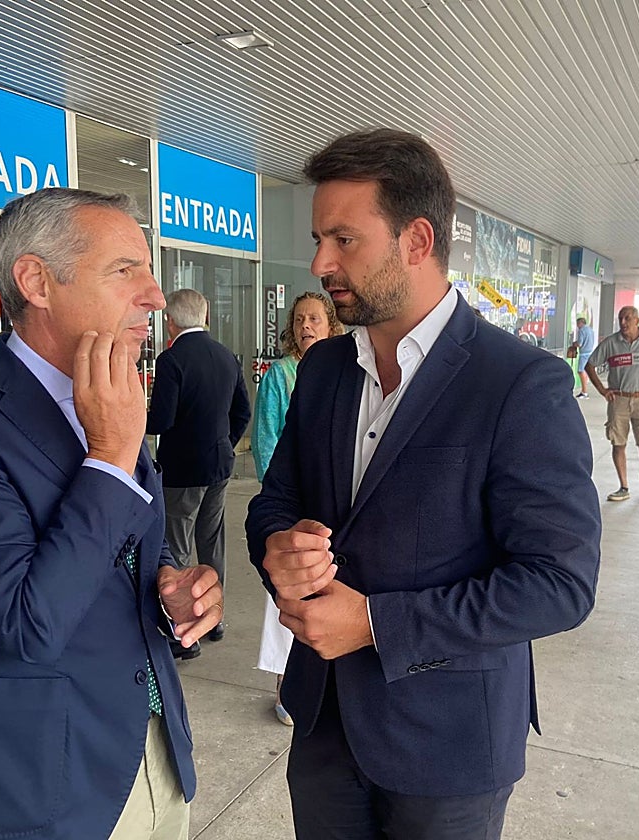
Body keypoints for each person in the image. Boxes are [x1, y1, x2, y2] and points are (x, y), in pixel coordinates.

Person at [244, 128, 601, 839]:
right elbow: (275, 501)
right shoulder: (321, 372)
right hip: (321, 726)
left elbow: (560, 582)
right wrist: (277, 546)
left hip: (449, 743)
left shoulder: (518, 383)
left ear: (415, 239)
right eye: (320, 238)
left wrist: (377, 624)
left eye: (344, 239)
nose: (321, 262)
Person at [0, 188, 224, 840]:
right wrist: (109, 458)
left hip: (152, 756)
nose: (155, 297)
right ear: (37, 281)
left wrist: (170, 587)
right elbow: (26, 622)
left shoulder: (107, 394)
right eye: (125, 269)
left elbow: (134, 548)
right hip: (41, 791)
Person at [251, 291, 343, 726]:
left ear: (331, 326)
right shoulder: (280, 374)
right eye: (300, 319)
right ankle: (286, 686)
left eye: (315, 319)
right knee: (286, 597)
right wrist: (284, 503)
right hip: (294, 508)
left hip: (334, 514)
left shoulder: (345, 371)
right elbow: (269, 440)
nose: (307, 325)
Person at [146, 288, 251, 659]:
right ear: (205, 316)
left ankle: (181, 631)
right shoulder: (226, 356)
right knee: (212, 541)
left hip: (182, 469)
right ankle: (213, 619)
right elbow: (243, 411)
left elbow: (161, 420)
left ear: (170, 321)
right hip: (219, 465)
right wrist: (225, 442)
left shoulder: (171, 360)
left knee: (175, 546)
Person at [584, 305, 639, 501]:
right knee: (618, 444)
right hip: (619, 400)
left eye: (627, 318)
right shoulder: (611, 343)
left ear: (636, 320)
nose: (623, 322)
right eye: (621, 318)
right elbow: (590, 365)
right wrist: (602, 390)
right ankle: (623, 486)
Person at [572, 316, 596, 398]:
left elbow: (580, 344)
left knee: (580, 371)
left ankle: (584, 392)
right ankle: (584, 390)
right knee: (585, 371)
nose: (577, 326)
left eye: (578, 324)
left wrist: (575, 343)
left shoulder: (581, 331)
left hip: (584, 353)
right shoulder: (590, 330)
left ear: (581, 323)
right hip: (590, 352)